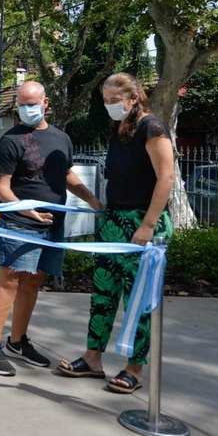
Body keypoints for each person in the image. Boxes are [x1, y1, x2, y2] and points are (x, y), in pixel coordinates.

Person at [57, 72, 174, 394]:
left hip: (143, 221)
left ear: (134, 98)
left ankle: (134, 368)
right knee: (103, 293)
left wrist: (148, 224)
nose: (109, 106)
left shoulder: (153, 128)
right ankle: (92, 358)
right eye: (106, 101)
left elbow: (165, 178)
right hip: (114, 219)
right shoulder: (119, 129)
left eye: (114, 101)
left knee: (138, 299)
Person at [0, 81, 103, 377]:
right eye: (22, 104)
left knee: (34, 281)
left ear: (46, 103)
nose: (27, 109)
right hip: (19, 223)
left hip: (52, 225)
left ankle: (17, 341)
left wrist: (92, 199)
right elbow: (1, 188)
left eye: (32, 103)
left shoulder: (61, 138)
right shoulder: (10, 141)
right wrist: (28, 210)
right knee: (9, 279)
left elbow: (67, 174)